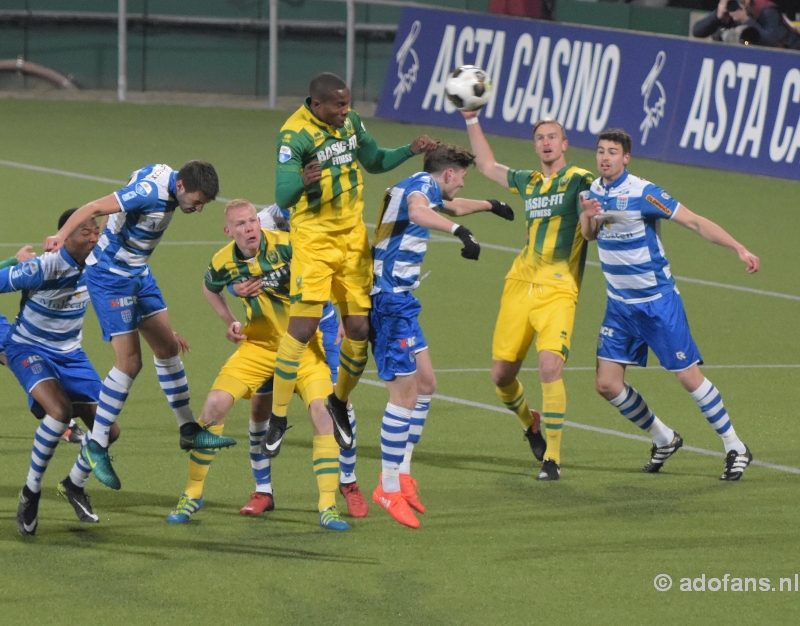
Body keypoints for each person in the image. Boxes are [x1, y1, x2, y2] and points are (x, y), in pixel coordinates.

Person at [268, 72, 436, 459]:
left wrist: (409, 149)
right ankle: (278, 417)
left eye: (347, 104)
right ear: (318, 104)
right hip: (314, 241)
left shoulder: (351, 123)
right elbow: (283, 195)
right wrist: (305, 182)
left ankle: (339, 401)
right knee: (303, 327)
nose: (346, 111)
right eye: (339, 106)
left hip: (352, 241)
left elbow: (374, 161)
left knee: (359, 329)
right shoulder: (294, 136)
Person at [43, 161, 236, 491]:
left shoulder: (163, 173)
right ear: (180, 187)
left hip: (139, 274)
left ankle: (188, 429)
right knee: (130, 363)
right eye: (197, 201)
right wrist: (61, 236)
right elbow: (94, 206)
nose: (199, 208)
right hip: (111, 279)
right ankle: (96, 445)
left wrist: (113, 225)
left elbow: (133, 175)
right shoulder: (148, 194)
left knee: (168, 347)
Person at [579, 128, 758, 481]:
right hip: (619, 306)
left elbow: (693, 221)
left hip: (657, 303)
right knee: (607, 384)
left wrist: (739, 247)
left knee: (688, 377)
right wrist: (587, 214)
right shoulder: (592, 191)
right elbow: (588, 235)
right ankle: (663, 438)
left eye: (612, 152)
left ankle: (735, 445)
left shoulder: (644, 193)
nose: (604, 157)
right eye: (600, 151)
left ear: (626, 157)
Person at [166, 199, 350, 531]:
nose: (249, 228)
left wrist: (344, 314)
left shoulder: (287, 245)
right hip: (259, 348)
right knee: (213, 405)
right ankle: (192, 494)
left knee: (324, 412)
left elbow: (328, 270)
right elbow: (210, 288)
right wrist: (231, 321)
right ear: (228, 231)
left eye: (252, 221)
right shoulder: (223, 261)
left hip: (306, 348)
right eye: (241, 224)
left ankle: (328, 505)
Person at [370, 142, 513, 528]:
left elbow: (449, 206)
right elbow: (421, 211)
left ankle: (403, 473)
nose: (463, 184)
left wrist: (491, 206)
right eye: (462, 177)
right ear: (448, 173)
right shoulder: (420, 188)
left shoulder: (427, 187)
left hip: (403, 301)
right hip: (388, 301)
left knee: (428, 384)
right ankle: (386, 486)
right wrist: (461, 233)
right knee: (403, 396)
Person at [462, 111, 594, 482]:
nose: (547, 142)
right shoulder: (529, 182)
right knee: (502, 377)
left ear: (565, 145)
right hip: (519, 285)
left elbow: (600, 212)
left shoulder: (581, 180)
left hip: (558, 290)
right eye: (541, 138)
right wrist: (471, 118)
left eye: (553, 137)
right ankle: (529, 423)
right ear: (535, 146)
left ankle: (552, 458)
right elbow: (486, 165)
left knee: (550, 367)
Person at [225, 204, 368, 519]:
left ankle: (349, 482)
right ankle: (263, 490)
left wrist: (348, 311)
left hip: (324, 320)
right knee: (260, 405)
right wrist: (236, 287)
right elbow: (230, 265)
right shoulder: (265, 220)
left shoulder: (331, 210)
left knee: (336, 400)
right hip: (275, 329)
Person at [4, 210, 121, 536]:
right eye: (85, 232)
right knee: (59, 411)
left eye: (95, 230)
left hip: (72, 356)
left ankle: (74, 484)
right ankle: (31, 492)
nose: (94, 237)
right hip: (28, 349)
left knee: (108, 431)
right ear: (65, 236)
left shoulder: (98, 265)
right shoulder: (43, 266)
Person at [692, 0, 800, 49]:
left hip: (793, 50)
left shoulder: (766, 10)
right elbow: (697, 32)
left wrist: (746, 20)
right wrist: (717, 16)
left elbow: (773, 43)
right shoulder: (729, 7)